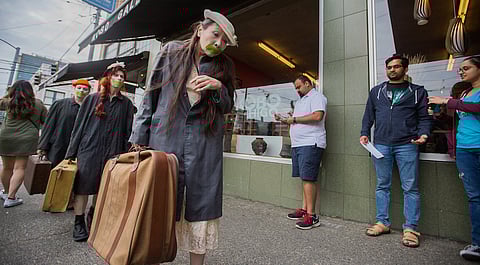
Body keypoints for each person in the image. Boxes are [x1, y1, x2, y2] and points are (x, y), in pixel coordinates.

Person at [129, 9, 237, 265]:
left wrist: (217, 87)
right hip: (166, 139)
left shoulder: (225, 66)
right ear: (200, 30)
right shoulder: (172, 51)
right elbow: (151, 94)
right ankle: (151, 257)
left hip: (205, 143)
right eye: (215, 34)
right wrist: (139, 135)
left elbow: (228, 105)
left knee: (201, 209)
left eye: (224, 41)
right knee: (160, 204)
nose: (218, 43)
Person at [360, 54, 432, 247]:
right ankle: (382, 222)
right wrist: (364, 133)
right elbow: (368, 116)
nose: (392, 70)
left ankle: (410, 228)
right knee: (382, 185)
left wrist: (424, 134)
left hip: (407, 144)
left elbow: (424, 118)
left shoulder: (417, 92)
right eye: (389, 67)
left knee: (410, 188)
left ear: (405, 69)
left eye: (396, 67)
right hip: (381, 144)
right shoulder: (376, 92)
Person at [65, 62, 135, 242]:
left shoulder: (126, 104)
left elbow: (128, 131)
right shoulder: (92, 99)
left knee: (102, 188)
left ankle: (94, 217)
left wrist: (126, 154)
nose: (119, 78)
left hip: (113, 152)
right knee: (83, 187)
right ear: (108, 77)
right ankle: (79, 222)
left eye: (122, 76)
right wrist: (71, 154)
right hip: (89, 150)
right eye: (116, 75)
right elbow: (78, 127)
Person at [429, 55, 480, 261]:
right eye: (460, 69)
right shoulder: (466, 92)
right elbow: (458, 117)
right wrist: (439, 113)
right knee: (474, 196)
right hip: (465, 149)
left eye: (466, 68)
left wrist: (449, 101)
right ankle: (477, 243)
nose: (461, 71)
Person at [275, 76, 326, 230]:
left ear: (307, 83)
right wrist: (286, 119)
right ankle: (304, 210)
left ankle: (312, 216)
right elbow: (297, 119)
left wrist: (294, 120)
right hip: (299, 144)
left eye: (299, 87)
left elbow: (318, 116)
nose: (297, 90)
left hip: (311, 142)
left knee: (309, 178)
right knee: (304, 178)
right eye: (295, 88)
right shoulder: (301, 101)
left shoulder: (317, 97)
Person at [0, 80, 47, 208]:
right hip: (27, 139)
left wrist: (8, 94)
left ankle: (6, 192)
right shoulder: (38, 104)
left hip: (6, 137)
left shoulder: (8, 102)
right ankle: (11, 197)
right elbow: (45, 122)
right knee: (19, 168)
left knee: (6, 167)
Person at [38, 79, 91, 167]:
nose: (81, 91)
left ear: (89, 92)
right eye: (79, 88)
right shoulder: (60, 104)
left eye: (85, 89)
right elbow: (48, 126)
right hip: (57, 146)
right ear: (74, 89)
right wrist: (42, 146)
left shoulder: (89, 109)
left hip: (78, 150)